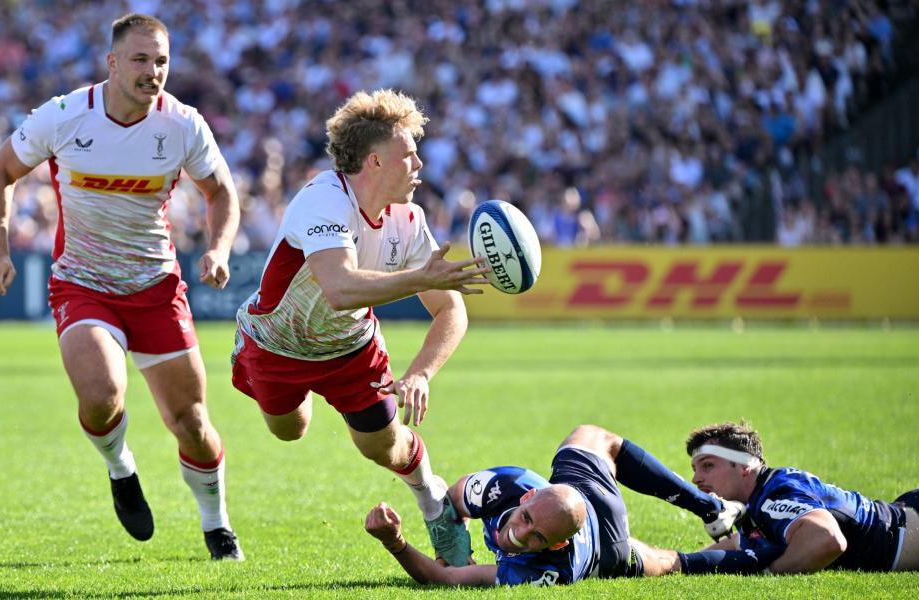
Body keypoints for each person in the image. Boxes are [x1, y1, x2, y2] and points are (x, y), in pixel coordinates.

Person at [0, 14, 243, 560]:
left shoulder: (184, 124)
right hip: (83, 283)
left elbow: (222, 194)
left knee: (192, 423)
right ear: (114, 63)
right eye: (142, 60)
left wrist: (217, 248)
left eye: (162, 61)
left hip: (155, 285)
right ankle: (121, 468)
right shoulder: (65, 115)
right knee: (101, 399)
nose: (154, 72)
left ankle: (216, 526)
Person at [231, 89, 490, 566]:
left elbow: (452, 311)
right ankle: (259, 357)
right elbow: (341, 288)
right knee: (289, 430)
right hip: (276, 344)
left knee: (384, 447)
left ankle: (434, 503)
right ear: (374, 161)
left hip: (350, 346)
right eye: (408, 153)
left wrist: (420, 374)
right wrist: (418, 278)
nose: (419, 163)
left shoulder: (409, 221)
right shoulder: (323, 199)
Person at [365, 424, 778, 586]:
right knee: (592, 436)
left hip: (606, 547)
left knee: (672, 563)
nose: (519, 534)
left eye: (537, 537)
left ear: (557, 545)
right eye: (526, 519)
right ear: (527, 496)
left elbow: (450, 581)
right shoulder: (506, 484)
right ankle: (710, 508)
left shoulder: (542, 570)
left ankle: (765, 555)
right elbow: (451, 504)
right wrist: (451, 539)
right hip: (574, 493)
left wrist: (397, 543)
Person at [687, 421, 919, 573]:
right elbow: (739, 542)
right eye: (695, 469)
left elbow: (828, 539)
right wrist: (684, 563)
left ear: (745, 466)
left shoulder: (774, 496)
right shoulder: (755, 503)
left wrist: (768, 573)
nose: (696, 479)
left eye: (707, 466)